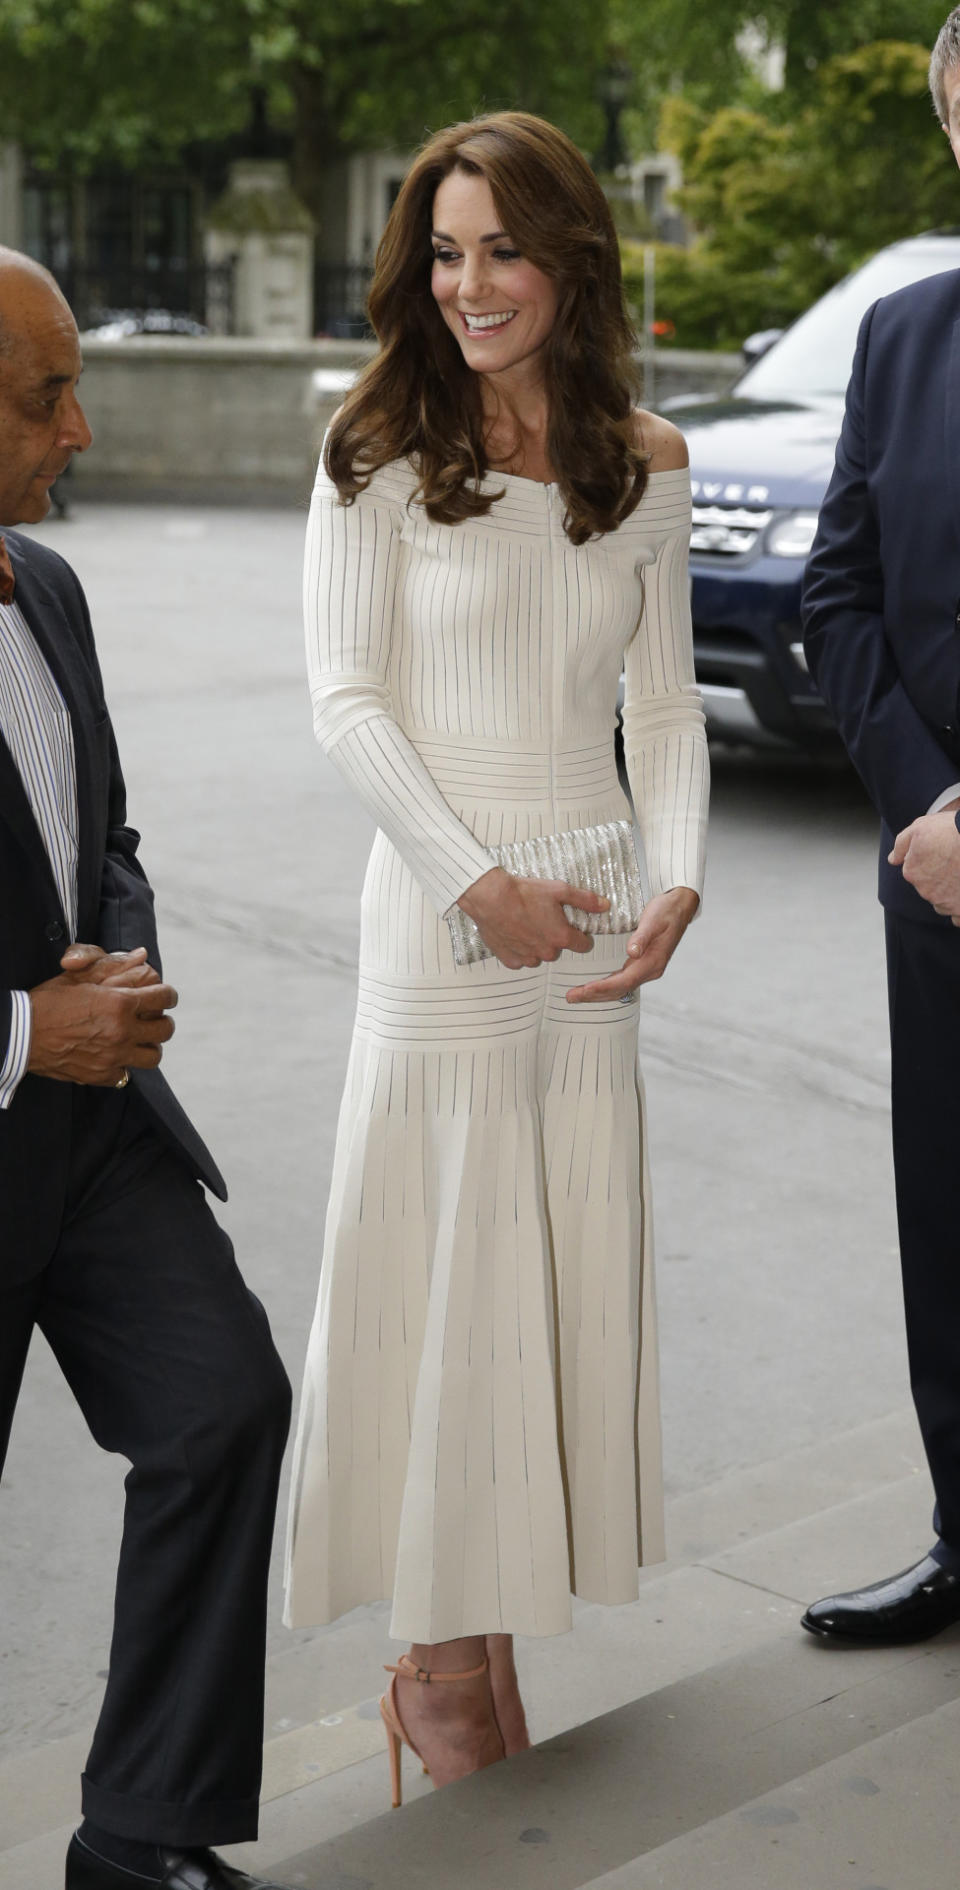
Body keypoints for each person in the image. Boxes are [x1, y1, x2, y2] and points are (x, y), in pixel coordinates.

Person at [283, 111, 708, 1800]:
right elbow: (346, 702)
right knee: (440, 1272)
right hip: (443, 920)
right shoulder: (374, 448)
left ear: (570, 259)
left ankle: (483, 1627)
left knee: (535, 1283)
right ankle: (436, 1657)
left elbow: (664, 712)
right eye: (444, 253)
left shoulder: (642, 462)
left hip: (592, 931)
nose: (469, 285)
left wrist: (675, 881)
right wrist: (475, 882)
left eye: (501, 249)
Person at [0, 248, 293, 1890]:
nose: (82, 428)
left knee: (221, 1406)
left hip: (99, 1132)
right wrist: (21, 1028)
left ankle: (139, 1840)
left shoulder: (49, 589)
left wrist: (115, 958)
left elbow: (100, 831)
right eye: (47, 397)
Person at [800, 6, 960, 1646]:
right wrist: (932, 807)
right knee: (949, 1220)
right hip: (941, 878)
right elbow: (838, 594)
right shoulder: (902, 334)